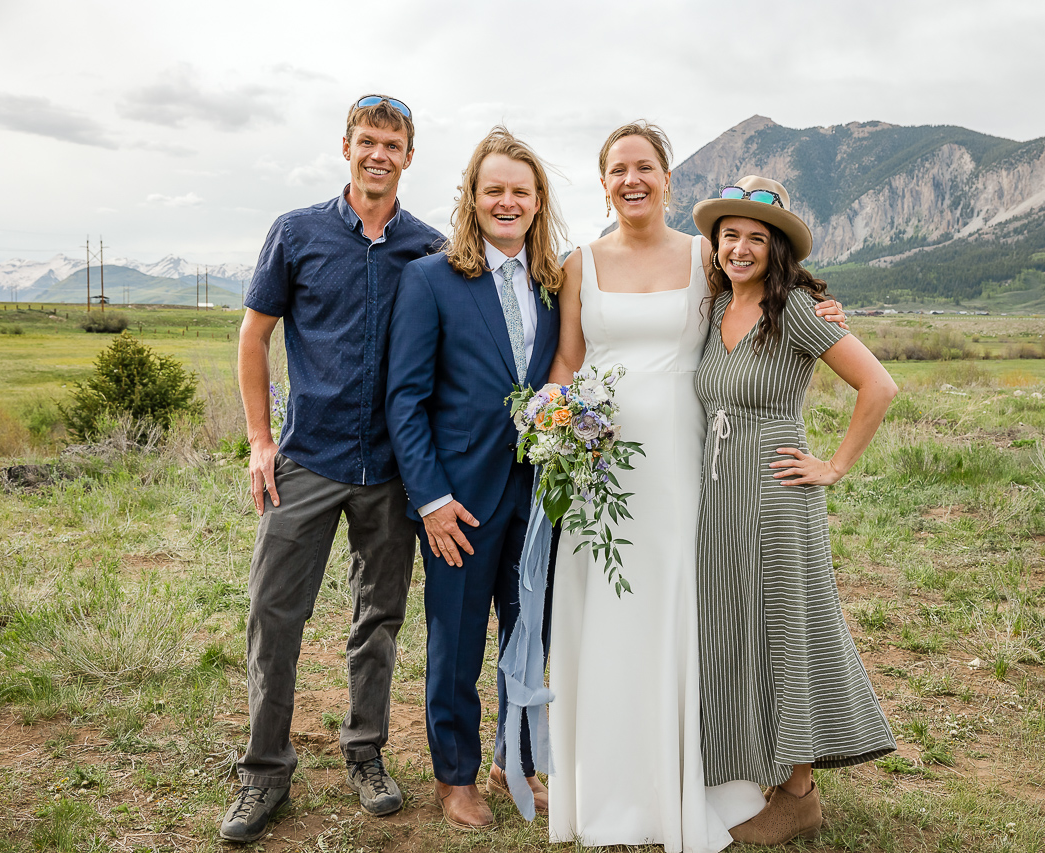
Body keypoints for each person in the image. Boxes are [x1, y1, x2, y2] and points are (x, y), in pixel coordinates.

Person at [546, 124, 845, 853]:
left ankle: (698, 775)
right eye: (617, 169)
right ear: (604, 181)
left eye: (644, 166)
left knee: (684, 607)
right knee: (608, 612)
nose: (631, 179)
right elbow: (566, 358)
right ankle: (607, 781)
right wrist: (554, 417)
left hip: (684, 462)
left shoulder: (701, 257)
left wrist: (822, 305)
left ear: (668, 178)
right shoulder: (577, 264)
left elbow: (760, 289)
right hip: (601, 466)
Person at [221, 95, 444, 844]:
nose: (379, 154)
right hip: (306, 460)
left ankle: (365, 752)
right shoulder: (297, 232)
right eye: (367, 141)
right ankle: (264, 771)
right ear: (345, 147)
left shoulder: (432, 248)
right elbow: (253, 337)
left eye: (393, 143)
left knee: (377, 618)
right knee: (273, 616)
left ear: (409, 156)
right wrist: (259, 439)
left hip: (390, 469)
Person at [691, 176, 899, 845]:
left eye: (757, 237)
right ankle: (745, 769)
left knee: (786, 630)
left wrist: (833, 466)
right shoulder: (713, 303)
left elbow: (879, 384)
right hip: (717, 494)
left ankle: (800, 791)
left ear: (776, 248)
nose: (742, 247)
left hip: (778, 493)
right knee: (731, 626)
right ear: (717, 245)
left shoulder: (797, 310)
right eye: (731, 235)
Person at [385, 127, 562, 831]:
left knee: (532, 632)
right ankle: (454, 776)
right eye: (495, 189)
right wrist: (429, 498)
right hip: (457, 497)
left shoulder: (557, 282)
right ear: (473, 196)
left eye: (521, 190)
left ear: (538, 200)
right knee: (455, 640)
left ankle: (514, 759)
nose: (507, 201)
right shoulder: (431, 279)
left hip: (540, 497)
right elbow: (405, 397)